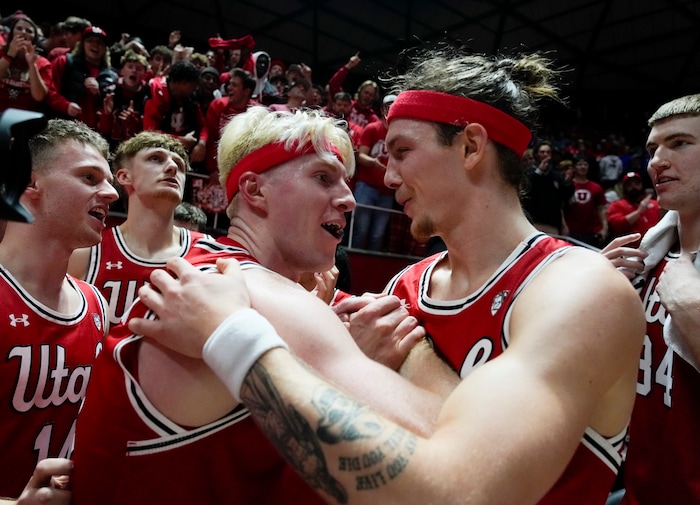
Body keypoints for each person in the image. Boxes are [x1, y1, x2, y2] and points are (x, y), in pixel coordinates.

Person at [131, 48, 646, 505]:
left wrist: (233, 337)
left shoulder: (579, 288)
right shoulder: (401, 290)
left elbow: (464, 490)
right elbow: (344, 450)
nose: (388, 178)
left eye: (401, 152)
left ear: (470, 147)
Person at [71, 106, 449, 504]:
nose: (349, 200)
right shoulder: (246, 289)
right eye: (323, 178)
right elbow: (460, 464)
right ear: (254, 191)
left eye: (346, 182)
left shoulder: (254, 285)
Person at [0, 118, 118, 502]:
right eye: (89, 177)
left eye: (110, 180)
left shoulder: (96, 303)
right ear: (31, 183)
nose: (112, 193)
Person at [601, 93, 700, 505]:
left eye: (679, 144)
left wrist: (691, 306)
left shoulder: (680, 283)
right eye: (653, 149)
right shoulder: (646, 262)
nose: (657, 160)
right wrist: (592, 297)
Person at [68, 131, 210, 327]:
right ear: (125, 176)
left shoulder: (208, 252)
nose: (172, 167)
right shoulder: (87, 253)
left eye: (179, 165)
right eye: (155, 158)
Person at [47, 26, 117, 130]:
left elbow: (110, 111)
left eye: (99, 42)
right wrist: (65, 106)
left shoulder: (112, 77)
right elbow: (48, 90)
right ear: (82, 44)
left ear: (105, 49)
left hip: (92, 133)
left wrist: (98, 94)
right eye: (90, 40)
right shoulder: (63, 62)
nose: (95, 45)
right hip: (61, 126)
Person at [351, 93, 397, 250]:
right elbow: (361, 155)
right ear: (383, 108)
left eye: (394, 105)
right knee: (361, 231)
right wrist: (373, 162)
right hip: (367, 186)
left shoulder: (399, 133)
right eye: (388, 106)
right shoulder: (372, 128)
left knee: (378, 235)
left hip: (387, 190)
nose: (391, 109)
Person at [143, 60, 208, 166]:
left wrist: (202, 143)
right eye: (192, 85)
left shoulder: (191, 97)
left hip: (181, 155)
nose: (195, 89)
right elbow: (149, 132)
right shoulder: (155, 94)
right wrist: (178, 140)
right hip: (155, 153)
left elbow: (203, 126)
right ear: (180, 83)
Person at [96, 49, 149, 150]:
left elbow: (147, 134)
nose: (133, 70)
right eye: (130, 67)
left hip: (134, 150)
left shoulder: (148, 96)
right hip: (109, 148)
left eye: (138, 68)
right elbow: (102, 131)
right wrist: (106, 115)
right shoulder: (108, 92)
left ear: (144, 74)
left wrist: (133, 122)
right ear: (122, 71)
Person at [0, 14, 52, 114]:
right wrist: (9, 56)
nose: (23, 32)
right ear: (12, 34)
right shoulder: (1, 53)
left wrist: (32, 64)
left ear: (34, 38)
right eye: (19, 28)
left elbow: (39, 96)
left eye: (29, 31)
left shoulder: (43, 63)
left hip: (24, 117)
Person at [521, 139, 574, 235]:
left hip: (552, 223)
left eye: (548, 152)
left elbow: (564, 197)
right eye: (542, 152)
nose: (545, 154)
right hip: (533, 222)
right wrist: (540, 171)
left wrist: (568, 182)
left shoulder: (556, 175)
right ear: (536, 154)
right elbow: (527, 190)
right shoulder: (528, 173)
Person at [564, 156, 608, 247]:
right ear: (573, 168)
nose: (583, 167)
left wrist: (605, 227)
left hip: (590, 233)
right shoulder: (566, 186)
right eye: (579, 164)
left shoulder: (596, 188)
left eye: (585, 164)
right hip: (569, 231)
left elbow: (601, 209)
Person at [606, 171, 660, 243]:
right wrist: (639, 212)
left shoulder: (654, 203)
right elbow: (617, 226)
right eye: (629, 185)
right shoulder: (617, 205)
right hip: (630, 249)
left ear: (642, 185)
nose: (633, 187)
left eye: (636, 183)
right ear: (624, 188)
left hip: (656, 245)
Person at [327, 52, 379, 128]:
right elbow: (333, 84)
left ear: (374, 98)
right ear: (360, 91)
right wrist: (348, 66)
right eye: (366, 92)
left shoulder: (373, 119)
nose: (367, 96)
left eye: (371, 95)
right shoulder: (346, 104)